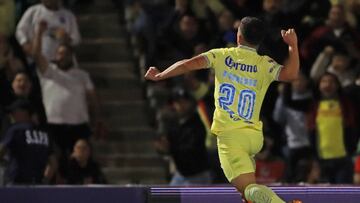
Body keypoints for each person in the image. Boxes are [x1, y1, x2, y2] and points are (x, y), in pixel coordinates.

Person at [145, 16, 299, 203]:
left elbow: (186, 64)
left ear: (238, 37)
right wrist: (292, 46)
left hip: (231, 137)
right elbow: (292, 74)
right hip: (254, 136)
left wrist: (161, 75)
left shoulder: (222, 56)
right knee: (249, 196)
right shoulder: (265, 63)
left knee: (249, 190)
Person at [0, 99, 56, 185]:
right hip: (37, 184)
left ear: (23, 112)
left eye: (13, 112)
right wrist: (45, 180)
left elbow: (1, 151)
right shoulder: (44, 133)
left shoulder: (16, 130)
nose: (11, 116)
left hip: (16, 182)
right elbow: (53, 162)